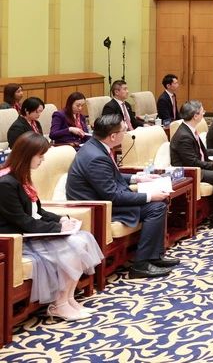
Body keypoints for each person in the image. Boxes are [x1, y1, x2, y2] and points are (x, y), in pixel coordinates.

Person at [0, 133, 104, 321]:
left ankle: (68, 298)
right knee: (72, 247)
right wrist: (58, 229)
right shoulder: (6, 183)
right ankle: (59, 304)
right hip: (16, 238)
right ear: (26, 155)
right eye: (40, 156)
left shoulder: (22, 177)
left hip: (29, 231)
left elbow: (37, 211)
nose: (42, 160)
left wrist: (61, 220)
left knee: (83, 239)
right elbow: (22, 220)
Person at [66, 113, 178, 278]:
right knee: (156, 207)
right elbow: (113, 196)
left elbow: (110, 175)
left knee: (159, 204)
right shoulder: (96, 157)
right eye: (124, 131)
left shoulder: (96, 146)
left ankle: (153, 256)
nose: (126, 134)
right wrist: (149, 196)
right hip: (98, 207)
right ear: (113, 136)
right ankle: (141, 264)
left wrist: (137, 178)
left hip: (103, 199)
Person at [169, 100, 213, 229]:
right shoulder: (183, 135)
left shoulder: (190, 129)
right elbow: (191, 162)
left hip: (197, 167)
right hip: (189, 171)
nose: (204, 113)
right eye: (202, 111)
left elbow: (200, 151)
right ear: (195, 116)